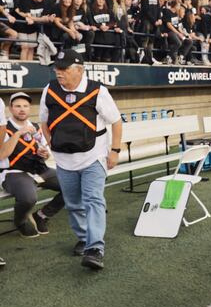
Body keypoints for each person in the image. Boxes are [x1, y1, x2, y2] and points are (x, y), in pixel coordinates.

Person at [39, 49, 122, 270]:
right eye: (57, 68)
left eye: (64, 69)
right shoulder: (49, 89)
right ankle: (84, 238)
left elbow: (116, 121)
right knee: (73, 203)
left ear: (79, 70)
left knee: (93, 200)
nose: (59, 72)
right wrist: (51, 143)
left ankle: (95, 248)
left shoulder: (98, 91)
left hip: (94, 156)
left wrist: (115, 150)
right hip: (64, 160)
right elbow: (43, 122)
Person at [0, 91, 64, 237]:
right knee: (29, 198)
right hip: (14, 172)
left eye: (25, 106)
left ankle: (41, 215)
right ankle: (20, 222)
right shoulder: (4, 128)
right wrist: (18, 133)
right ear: (10, 108)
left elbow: (44, 149)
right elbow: (2, 155)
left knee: (72, 186)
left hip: (39, 169)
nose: (22, 109)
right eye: (17, 106)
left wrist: (45, 154)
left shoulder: (35, 126)